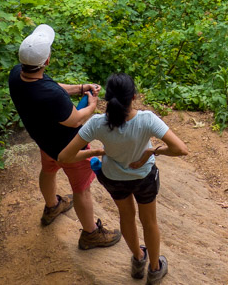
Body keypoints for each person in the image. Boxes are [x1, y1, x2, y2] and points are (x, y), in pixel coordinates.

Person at [59, 73, 189, 283]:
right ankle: (155, 270)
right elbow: (180, 149)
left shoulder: (97, 123)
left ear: (107, 98)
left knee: (126, 216)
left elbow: (65, 156)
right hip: (144, 177)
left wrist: (96, 153)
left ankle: (138, 259)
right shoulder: (147, 119)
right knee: (149, 221)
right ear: (134, 96)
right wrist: (151, 152)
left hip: (114, 178)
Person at [7, 24, 121, 250]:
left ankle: (52, 206)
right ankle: (90, 234)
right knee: (82, 190)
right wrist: (93, 104)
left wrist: (79, 88)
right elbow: (76, 119)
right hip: (70, 148)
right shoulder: (51, 97)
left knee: (48, 170)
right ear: (46, 61)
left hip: (44, 141)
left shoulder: (16, 76)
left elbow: (51, 86)